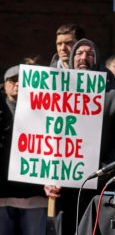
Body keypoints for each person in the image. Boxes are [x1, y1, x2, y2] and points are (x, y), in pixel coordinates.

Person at [47, 38, 115, 235]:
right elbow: (43, 138)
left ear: (97, 60)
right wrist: (46, 176)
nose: (84, 57)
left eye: (90, 54)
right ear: (72, 58)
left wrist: (101, 170)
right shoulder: (55, 96)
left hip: (97, 188)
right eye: (79, 53)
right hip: (62, 188)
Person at [0, 65, 49, 235]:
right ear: (4, 85)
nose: (18, 84)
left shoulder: (46, 111)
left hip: (35, 197)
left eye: (22, 80)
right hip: (3, 197)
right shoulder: (1, 111)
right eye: (13, 80)